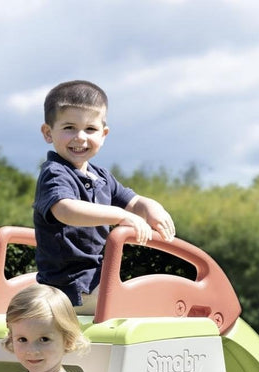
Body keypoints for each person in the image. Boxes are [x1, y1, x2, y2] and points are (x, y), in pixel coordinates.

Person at [33, 79, 177, 314]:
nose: (80, 137)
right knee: (142, 309)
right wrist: (119, 216)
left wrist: (152, 208)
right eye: (69, 127)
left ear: (104, 134)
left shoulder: (101, 177)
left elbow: (134, 202)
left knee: (156, 297)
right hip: (67, 287)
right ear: (48, 133)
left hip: (95, 280)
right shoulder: (55, 173)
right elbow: (65, 210)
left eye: (90, 129)